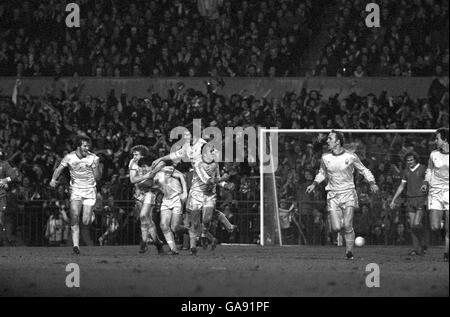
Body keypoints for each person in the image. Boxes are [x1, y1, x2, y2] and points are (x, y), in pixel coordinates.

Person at [306, 130, 379, 259]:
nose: (327, 140)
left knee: (347, 225)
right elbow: (322, 173)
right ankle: (345, 236)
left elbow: (364, 170)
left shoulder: (350, 156)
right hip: (333, 195)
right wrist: (314, 184)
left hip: (348, 193)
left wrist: (372, 183)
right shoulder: (325, 157)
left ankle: (349, 253)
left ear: (338, 141)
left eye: (330, 138)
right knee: (336, 227)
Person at [49, 136, 101, 255]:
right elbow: (59, 169)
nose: (87, 148)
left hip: (89, 190)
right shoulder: (69, 157)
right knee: (74, 216)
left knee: (86, 221)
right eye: (85, 146)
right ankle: (76, 247)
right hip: (76, 190)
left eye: (88, 146)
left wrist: (96, 165)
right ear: (78, 146)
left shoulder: (93, 158)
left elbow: (97, 177)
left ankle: (90, 213)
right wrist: (53, 179)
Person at [186, 143, 234, 255]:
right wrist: (222, 178)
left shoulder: (215, 164)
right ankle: (193, 247)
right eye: (212, 150)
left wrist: (226, 185)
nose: (215, 152)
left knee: (207, 219)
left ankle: (203, 236)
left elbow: (217, 180)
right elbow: (207, 180)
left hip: (209, 195)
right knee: (195, 223)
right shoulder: (197, 164)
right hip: (196, 195)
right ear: (204, 152)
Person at [390, 151, 428, 255]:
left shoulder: (423, 168)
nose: (409, 162)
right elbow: (401, 186)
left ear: (415, 159)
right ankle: (416, 249)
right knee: (412, 226)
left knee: (416, 224)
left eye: (411, 160)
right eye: (407, 160)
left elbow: (428, 181)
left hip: (421, 199)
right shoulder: (406, 171)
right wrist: (394, 199)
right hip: (410, 200)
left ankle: (424, 241)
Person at [128, 145, 164, 254]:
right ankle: (157, 243)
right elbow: (133, 180)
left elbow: (156, 179)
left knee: (143, 215)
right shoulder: (132, 163)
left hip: (150, 192)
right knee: (146, 219)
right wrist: (146, 176)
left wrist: (152, 178)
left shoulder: (151, 163)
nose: (134, 156)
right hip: (138, 193)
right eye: (133, 154)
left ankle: (144, 242)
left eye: (136, 154)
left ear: (143, 155)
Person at [421, 128, 449, 262]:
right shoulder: (433, 154)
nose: (435, 141)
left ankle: (447, 253)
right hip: (435, 192)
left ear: (445, 140)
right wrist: (426, 182)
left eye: (437, 138)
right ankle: (443, 220)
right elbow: (429, 170)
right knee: (435, 227)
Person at [152, 159, 188, 255]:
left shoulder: (167, 169)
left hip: (176, 198)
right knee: (163, 225)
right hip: (166, 200)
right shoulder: (154, 175)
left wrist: (185, 192)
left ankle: (190, 231)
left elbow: (181, 175)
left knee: (175, 228)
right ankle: (173, 249)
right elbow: (157, 187)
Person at [0, 146, 17, 245]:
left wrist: (5, 180)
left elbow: (14, 176)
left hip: (1, 196)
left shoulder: (4, 164)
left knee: (1, 218)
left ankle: (3, 240)